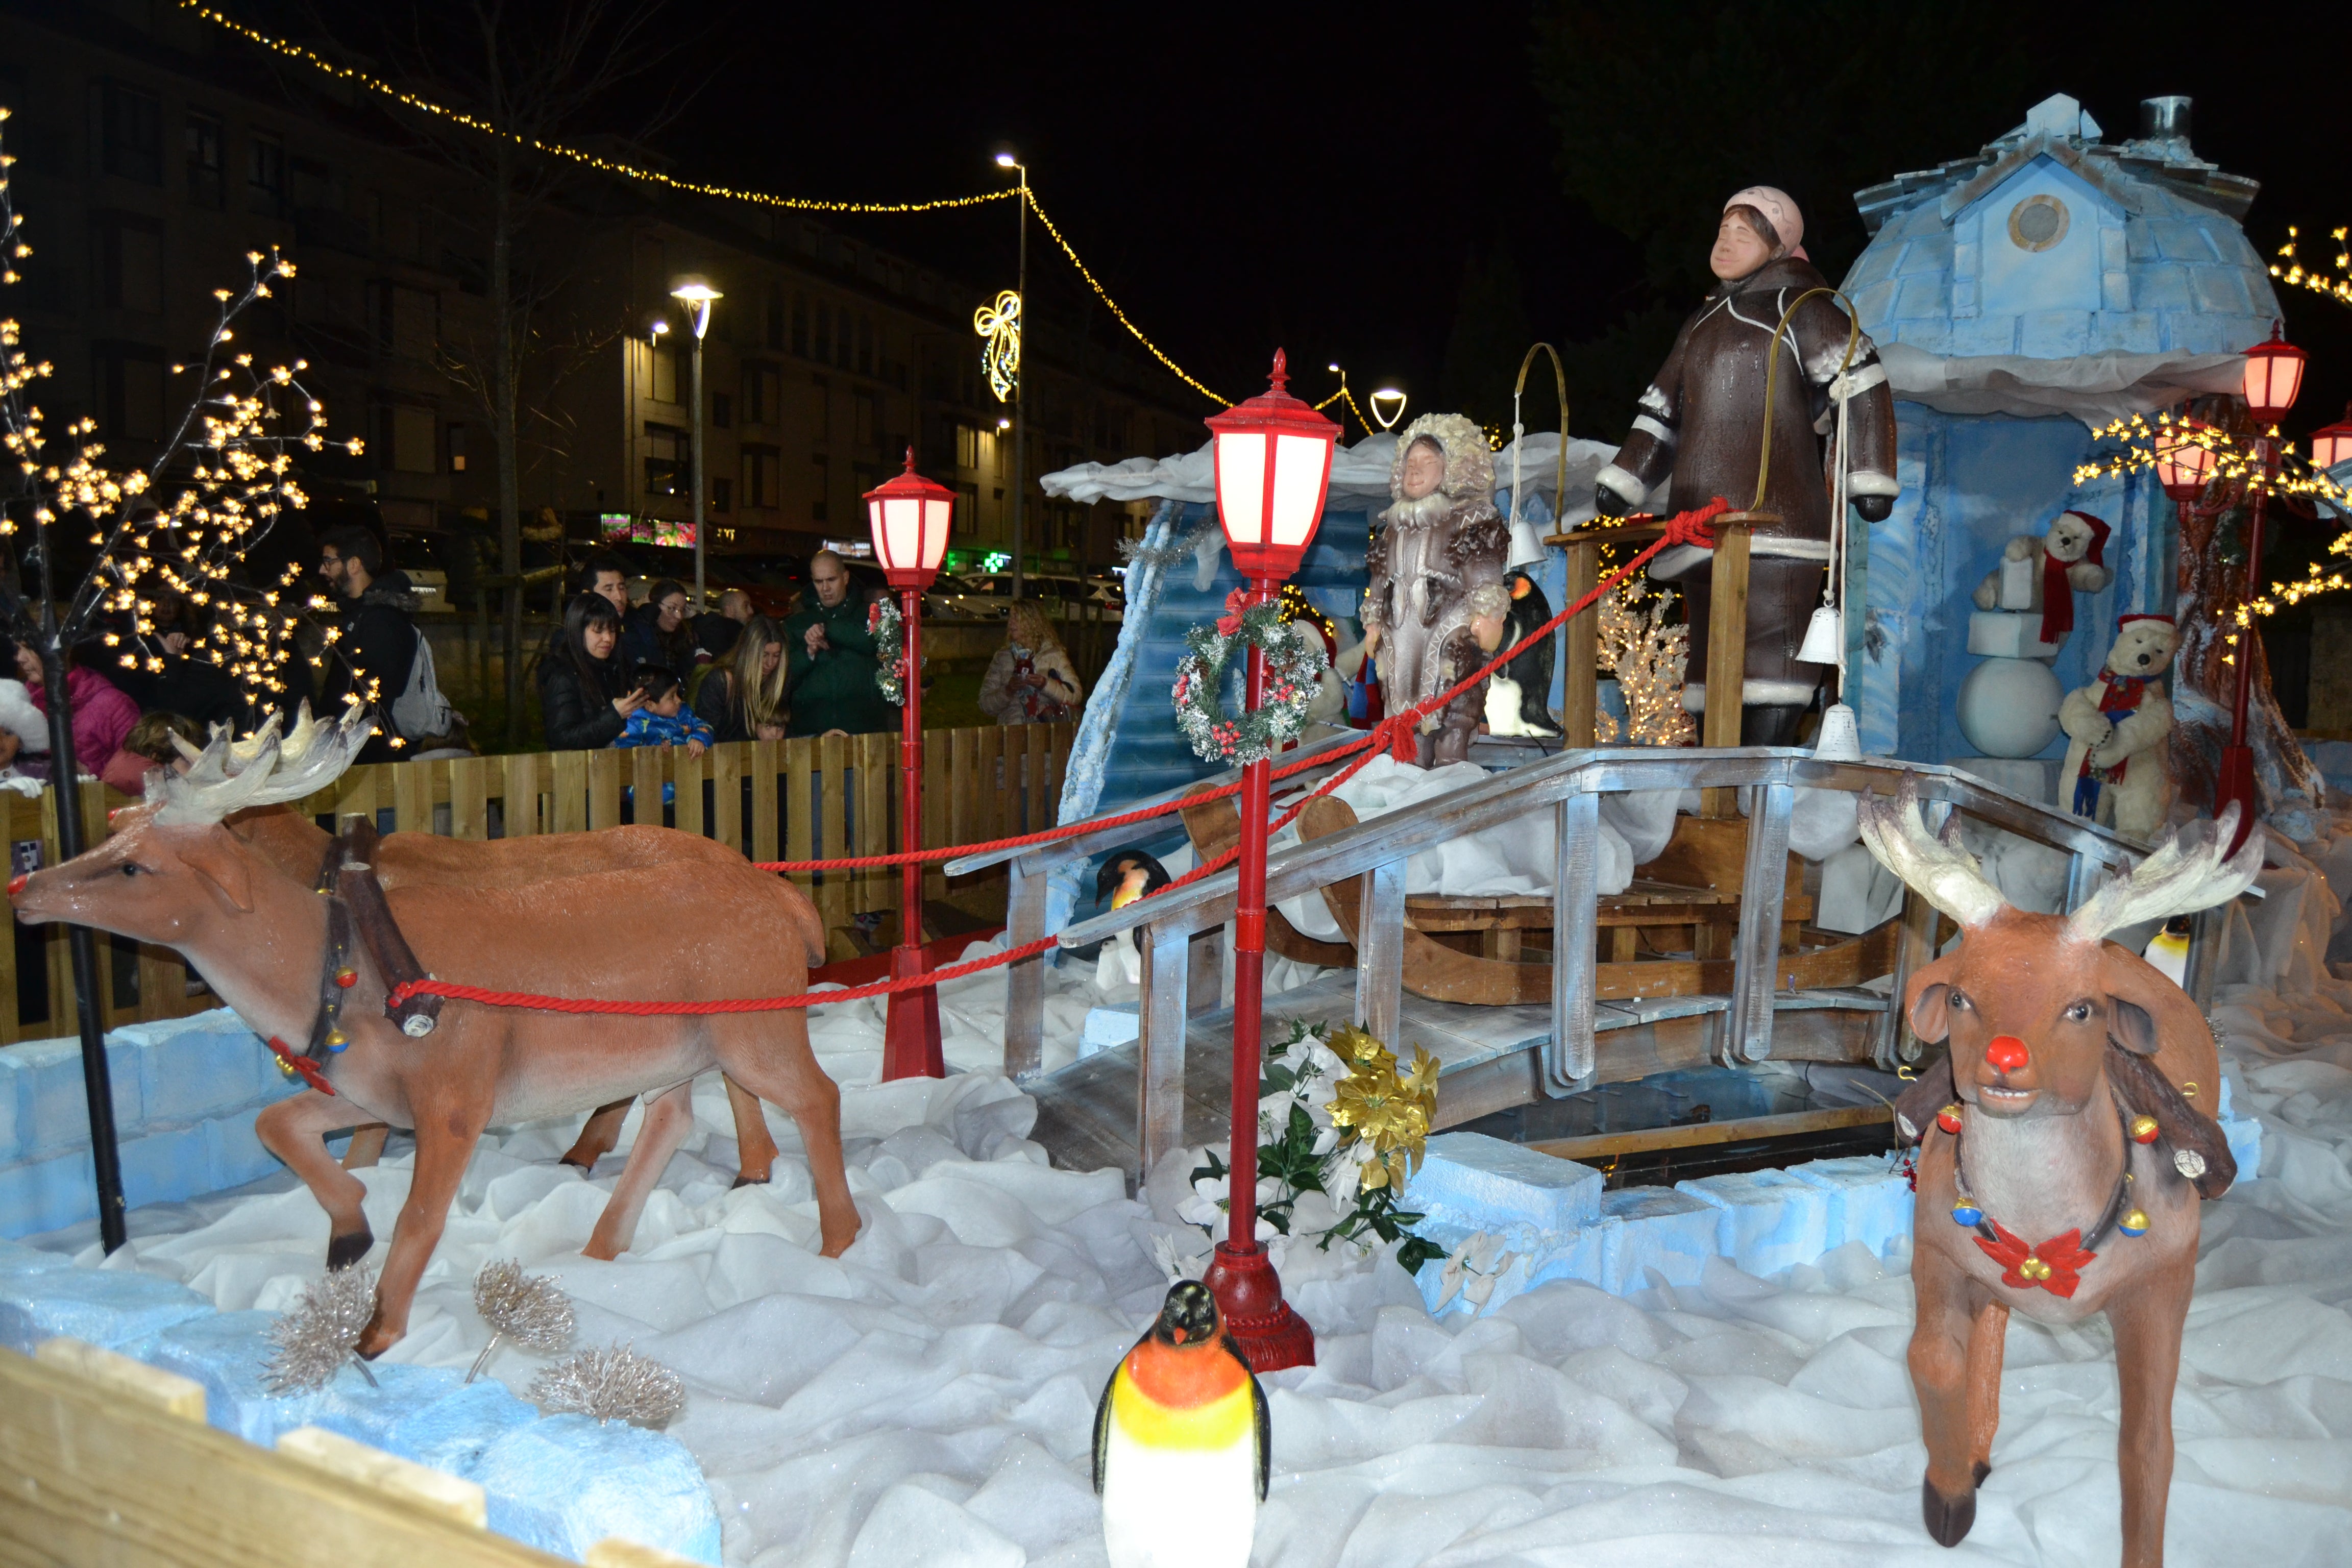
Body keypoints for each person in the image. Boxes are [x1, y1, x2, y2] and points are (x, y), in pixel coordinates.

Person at [1595, 186, 1898, 746]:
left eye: (1744, 233)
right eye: (1722, 231)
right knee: (1711, 653)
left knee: (1772, 650)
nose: (1726, 242)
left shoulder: (1802, 311)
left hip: (1773, 520)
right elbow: (1662, 408)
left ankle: (1762, 782)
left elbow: (1859, 380)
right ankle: (1717, 783)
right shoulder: (1702, 323)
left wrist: (1869, 476)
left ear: (1778, 246)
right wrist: (1627, 478)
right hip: (1702, 525)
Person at [1360, 413, 1509, 767]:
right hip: (1400, 635)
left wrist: (1488, 613)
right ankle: (1405, 778)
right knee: (1402, 716)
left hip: (1449, 633)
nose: (1416, 471)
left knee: (1452, 713)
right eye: (1411, 463)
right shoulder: (1392, 528)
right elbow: (1379, 581)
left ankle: (1449, 775)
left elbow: (1483, 572)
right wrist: (1373, 620)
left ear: (1452, 468)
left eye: (1427, 463)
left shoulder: (1468, 520)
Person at [319, 524, 456, 759]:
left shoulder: (382, 621)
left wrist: (339, 741)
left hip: (371, 755)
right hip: (356, 749)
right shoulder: (360, 615)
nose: (323, 570)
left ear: (354, 564)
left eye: (329, 561)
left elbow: (375, 697)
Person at [781, 550, 894, 737]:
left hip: (864, 732)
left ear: (845, 577)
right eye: (819, 582)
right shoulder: (796, 624)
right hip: (811, 732)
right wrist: (808, 653)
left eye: (831, 580)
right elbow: (784, 676)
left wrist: (828, 628)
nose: (825, 588)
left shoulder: (871, 615)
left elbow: (872, 641)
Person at [6, 636, 140, 781]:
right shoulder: (18, 707)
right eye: (19, 648)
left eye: (30, 649)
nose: (20, 658)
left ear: (64, 651)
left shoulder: (114, 706)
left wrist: (89, 774)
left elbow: (136, 774)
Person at [107, 595, 247, 731]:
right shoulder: (136, 642)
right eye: (160, 597)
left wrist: (175, 658)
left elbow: (178, 705)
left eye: (173, 599)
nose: (167, 604)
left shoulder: (200, 645)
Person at [538, 591, 642, 751]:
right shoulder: (562, 676)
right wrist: (614, 716)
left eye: (613, 630)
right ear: (578, 632)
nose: (608, 638)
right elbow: (561, 739)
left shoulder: (614, 669)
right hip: (577, 772)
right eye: (599, 631)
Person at [978, 600, 1084, 725]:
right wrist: (1008, 690)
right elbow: (985, 704)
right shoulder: (1003, 658)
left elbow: (1075, 696)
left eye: (1017, 618)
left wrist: (1045, 685)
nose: (1011, 622)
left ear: (1033, 622)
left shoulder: (1054, 656)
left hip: (1045, 731)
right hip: (1012, 732)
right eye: (1011, 617)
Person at [693, 613, 789, 744]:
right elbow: (705, 732)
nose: (770, 663)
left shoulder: (779, 681)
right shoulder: (720, 681)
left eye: (776, 656)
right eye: (764, 655)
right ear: (749, 652)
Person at [615, 666, 712, 758]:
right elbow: (624, 753)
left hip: (685, 770)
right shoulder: (633, 724)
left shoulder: (684, 712)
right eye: (672, 697)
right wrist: (654, 747)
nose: (678, 700)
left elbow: (704, 726)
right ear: (650, 705)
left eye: (677, 694)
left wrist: (699, 739)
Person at [100, 710, 204, 795]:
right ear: (156, 755)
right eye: (188, 761)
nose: (198, 769)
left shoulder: (126, 776)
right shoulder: (159, 792)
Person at [622, 577, 695, 675]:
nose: (679, 616)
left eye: (682, 610)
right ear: (654, 605)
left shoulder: (684, 637)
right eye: (672, 608)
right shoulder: (639, 635)